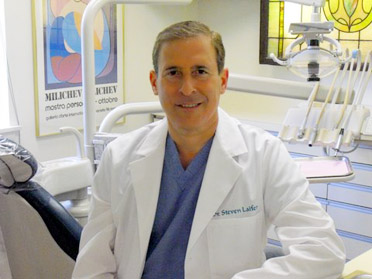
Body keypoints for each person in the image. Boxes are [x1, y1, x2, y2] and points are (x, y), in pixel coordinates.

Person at [72, 21, 345, 279]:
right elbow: (93, 266)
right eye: (173, 73)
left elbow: (324, 251)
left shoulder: (264, 154)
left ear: (222, 80)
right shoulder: (118, 157)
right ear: (155, 82)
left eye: (200, 71)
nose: (187, 88)